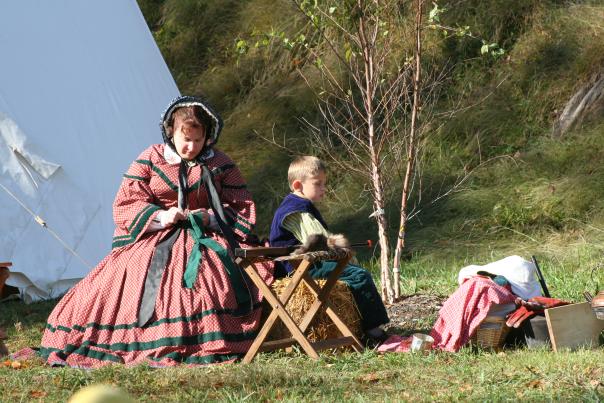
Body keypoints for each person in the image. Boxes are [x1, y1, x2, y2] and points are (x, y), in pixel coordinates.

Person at [40, 96, 273, 367]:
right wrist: (162, 215)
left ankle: (208, 337)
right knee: (132, 276)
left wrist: (210, 216)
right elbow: (126, 202)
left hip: (206, 235)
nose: (191, 147)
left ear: (207, 136)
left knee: (212, 280)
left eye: (198, 141)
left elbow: (241, 203)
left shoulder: (219, 162)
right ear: (170, 132)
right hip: (157, 237)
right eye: (185, 139)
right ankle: (142, 339)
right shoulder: (150, 158)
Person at [269, 156, 389, 342]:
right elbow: (318, 239)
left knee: (354, 274)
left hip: (309, 262)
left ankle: (363, 326)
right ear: (298, 185)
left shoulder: (301, 205)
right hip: (299, 268)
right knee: (359, 276)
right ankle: (374, 331)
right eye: (318, 184)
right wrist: (340, 249)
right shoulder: (295, 209)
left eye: (324, 183)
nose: (324, 189)